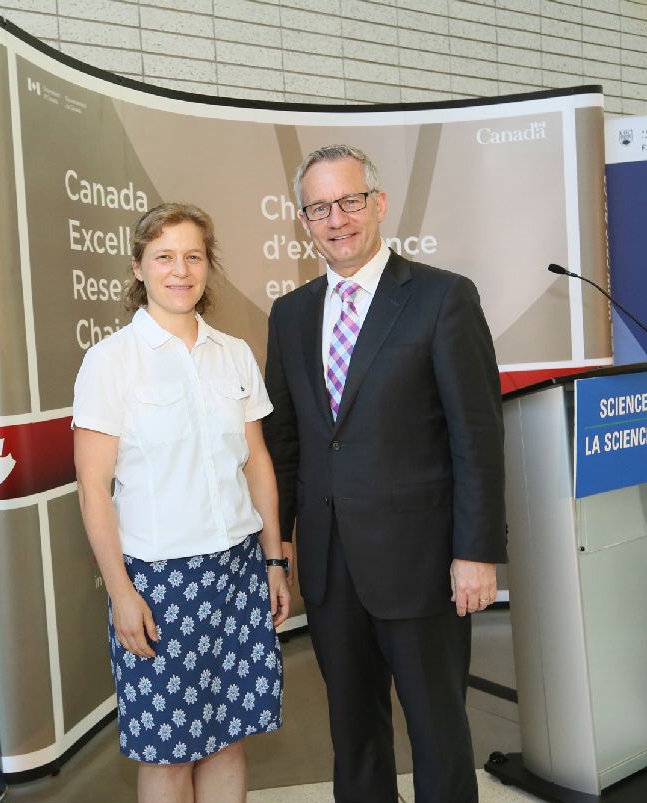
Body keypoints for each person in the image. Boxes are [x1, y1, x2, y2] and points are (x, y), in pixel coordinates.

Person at [262, 145, 506, 803]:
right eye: (319, 207)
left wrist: (476, 551)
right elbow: (285, 444)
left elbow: (476, 436)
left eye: (349, 201)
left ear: (378, 203)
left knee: (437, 729)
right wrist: (277, 549)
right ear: (304, 219)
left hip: (422, 563)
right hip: (331, 563)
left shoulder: (441, 299)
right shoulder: (290, 316)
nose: (336, 219)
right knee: (354, 731)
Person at [73, 202, 291, 803]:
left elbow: (257, 463)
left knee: (228, 737)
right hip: (156, 583)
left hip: (238, 572)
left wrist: (274, 560)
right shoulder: (110, 362)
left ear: (208, 265)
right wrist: (121, 593)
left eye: (193, 256)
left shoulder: (234, 353)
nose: (181, 269)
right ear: (139, 268)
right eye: (164, 256)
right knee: (167, 754)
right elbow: (93, 489)